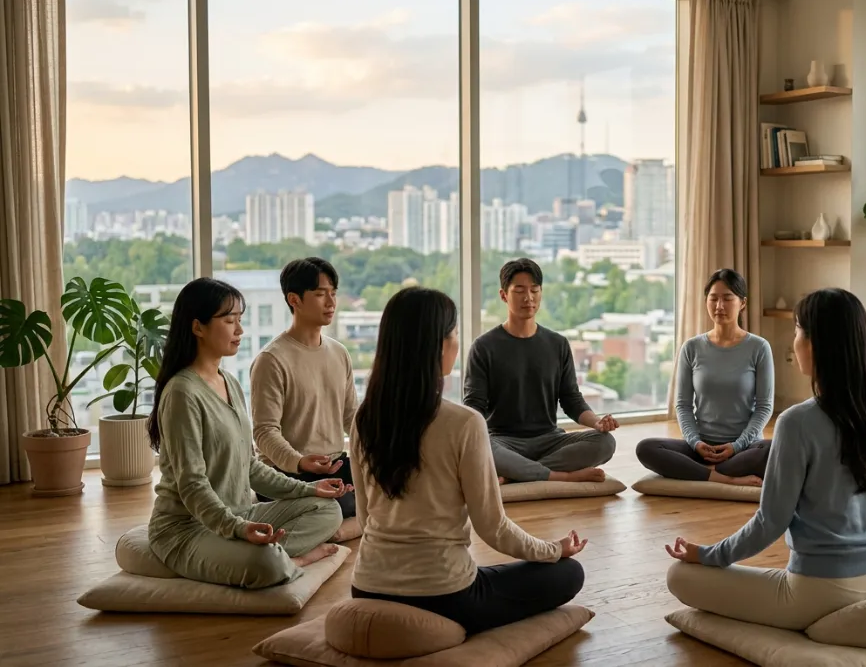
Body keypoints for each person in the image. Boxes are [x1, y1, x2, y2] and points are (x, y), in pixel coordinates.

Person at [349, 287, 587, 635]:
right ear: (438, 346)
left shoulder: (364, 418)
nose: (457, 343)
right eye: (454, 333)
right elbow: (493, 528)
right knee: (569, 573)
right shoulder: (463, 422)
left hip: (366, 586)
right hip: (443, 594)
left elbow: (364, 514)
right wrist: (554, 549)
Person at [662, 289, 866, 631]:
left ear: (817, 343)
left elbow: (770, 522)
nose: (794, 342)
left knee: (680, 575)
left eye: (798, 331)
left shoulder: (797, 421)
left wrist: (707, 555)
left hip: (821, 591)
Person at [146, 277, 349, 590]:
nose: (239, 330)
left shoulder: (230, 383)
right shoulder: (182, 393)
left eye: (240, 320)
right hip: (187, 529)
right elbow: (192, 483)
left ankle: (274, 556)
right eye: (229, 320)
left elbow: (250, 466)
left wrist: (308, 490)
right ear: (197, 327)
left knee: (327, 510)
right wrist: (237, 529)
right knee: (263, 563)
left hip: (241, 512)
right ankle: (294, 561)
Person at [463, 258, 618, 484]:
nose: (529, 298)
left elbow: (571, 400)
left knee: (605, 443)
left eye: (534, 290)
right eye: (519, 291)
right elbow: (474, 406)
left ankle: (516, 474)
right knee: (479, 447)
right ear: (503, 295)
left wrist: (597, 422)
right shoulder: (484, 347)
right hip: (504, 442)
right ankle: (560, 476)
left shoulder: (558, 344)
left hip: (549, 440)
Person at [637, 269, 773, 486]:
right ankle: (723, 476)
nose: (719, 306)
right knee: (646, 448)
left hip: (744, 449)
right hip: (701, 448)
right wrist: (695, 442)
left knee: (775, 448)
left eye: (727, 299)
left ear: (743, 303)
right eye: (713, 299)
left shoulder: (759, 347)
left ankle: (699, 473)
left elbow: (764, 407)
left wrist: (736, 446)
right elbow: (682, 405)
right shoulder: (691, 347)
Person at [251, 258, 358, 524]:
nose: (331, 302)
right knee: (336, 508)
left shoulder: (339, 353)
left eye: (333, 293)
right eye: (321, 294)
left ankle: (340, 528)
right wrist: (299, 462)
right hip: (286, 473)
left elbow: (351, 417)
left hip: (335, 465)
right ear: (294, 300)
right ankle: (340, 525)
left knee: (394, 490)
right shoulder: (271, 359)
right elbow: (264, 432)